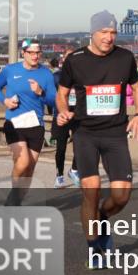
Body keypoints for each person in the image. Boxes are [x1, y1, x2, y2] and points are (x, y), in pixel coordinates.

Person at [55, 11, 138, 268]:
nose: (109, 37)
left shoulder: (125, 57)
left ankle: (102, 218)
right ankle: (94, 247)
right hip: (85, 132)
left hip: (115, 133)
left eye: (113, 33)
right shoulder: (75, 60)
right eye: (104, 32)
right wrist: (63, 111)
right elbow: (62, 94)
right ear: (92, 33)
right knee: (91, 190)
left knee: (121, 196)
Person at [0, 39, 57, 203]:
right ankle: (13, 196)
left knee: (30, 168)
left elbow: (54, 100)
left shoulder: (46, 74)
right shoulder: (10, 70)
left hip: (36, 124)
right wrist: (5, 101)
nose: (35, 56)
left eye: (38, 53)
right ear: (23, 53)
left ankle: (16, 202)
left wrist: (41, 92)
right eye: (31, 53)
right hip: (14, 123)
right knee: (23, 162)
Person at [51, 48, 80, 188]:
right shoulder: (57, 76)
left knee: (80, 145)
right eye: (69, 57)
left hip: (77, 114)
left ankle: (74, 170)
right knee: (61, 148)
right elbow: (51, 95)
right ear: (64, 60)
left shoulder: (82, 76)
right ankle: (59, 176)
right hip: (61, 115)